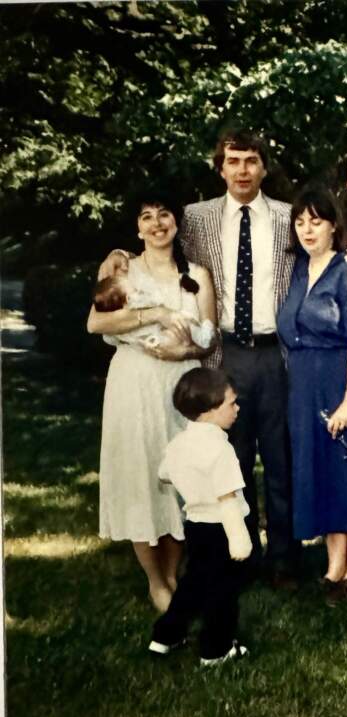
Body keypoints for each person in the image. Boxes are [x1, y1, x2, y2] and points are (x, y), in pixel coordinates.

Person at [99, 128, 299, 590]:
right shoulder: (197, 216)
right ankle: (238, 556)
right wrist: (117, 253)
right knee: (230, 459)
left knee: (280, 461)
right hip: (222, 352)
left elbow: (325, 241)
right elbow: (156, 240)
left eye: (252, 160)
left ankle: (285, 561)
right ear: (221, 167)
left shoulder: (290, 218)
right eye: (234, 161)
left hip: (276, 354)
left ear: (264, 167)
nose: (243, 170)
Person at [88, 190, 216, 613]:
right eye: (147, 217)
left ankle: (174, 573)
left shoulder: (196, 273)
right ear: (137, 227)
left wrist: (182, 352)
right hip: (134, 384)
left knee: (180, 479)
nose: (157, 224)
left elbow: (209, 336)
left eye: (164, 215)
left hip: (181, 386)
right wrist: (156, 313)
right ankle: (156, 582)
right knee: (141, 476)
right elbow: (97, 321)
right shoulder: (123, 270)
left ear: (176, 222)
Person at [277, 185, 347, 606]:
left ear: (334, 225)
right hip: (303, 387)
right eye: (300, 222)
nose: (307, 229)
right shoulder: (299, 271)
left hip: (342, 380)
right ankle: (333, 564)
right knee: (320, 472)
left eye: (315, 221)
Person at [149, 368, 252, 666]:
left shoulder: (179, 443)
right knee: (223, 592)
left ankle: (165, 636)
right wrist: (240, 543)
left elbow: (164, 473)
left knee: (193, 584)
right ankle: (216, 649)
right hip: (222, 530)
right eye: (231, 404)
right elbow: (228, 501)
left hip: (195, 527)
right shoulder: (221, 449)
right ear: (209, 411)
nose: (237, 409)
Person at [92, 272, 215, 349]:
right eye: (130, 284)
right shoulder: (136, 301)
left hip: (157, 342)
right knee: (182, 324)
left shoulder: (117, 331)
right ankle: (205, 337)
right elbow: (158, 299)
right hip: (165, 330)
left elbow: (109, 339)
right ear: (128, 299)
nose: (136, 286)